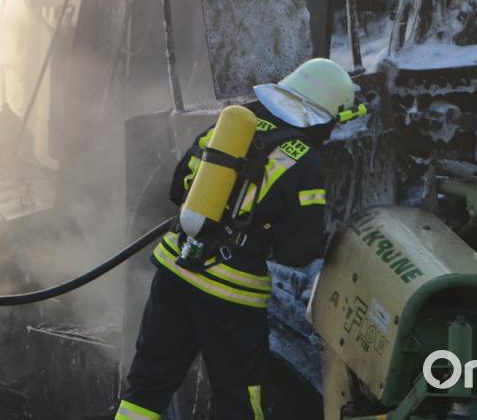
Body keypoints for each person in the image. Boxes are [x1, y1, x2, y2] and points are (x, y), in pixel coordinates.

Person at [115, 58, 361, 420]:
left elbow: (178, 183)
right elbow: (298, 251)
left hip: (174, 271)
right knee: (241, 402)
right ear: (323, 116)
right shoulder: (305, 160)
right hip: (231, 298)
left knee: (146, 388)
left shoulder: (236, 122)